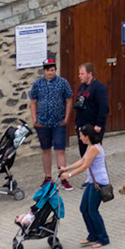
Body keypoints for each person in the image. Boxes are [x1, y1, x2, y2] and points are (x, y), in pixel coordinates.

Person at [59, 125, 110, 248]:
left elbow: (84, 166)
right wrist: (66, 168)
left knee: (92, 210)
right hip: (93, 182)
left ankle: (103, 238)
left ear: (87, 136)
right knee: (84, 208)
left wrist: (69, 175)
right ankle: (92, 235)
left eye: (81, 135)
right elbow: (82, 160)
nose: (80, 138)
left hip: (99, 182)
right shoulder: (90, 146)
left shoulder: (94, 148)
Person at [27, 58, 73, 189]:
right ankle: (47, 177)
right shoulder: (37, 84)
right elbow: (33, 102)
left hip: (58, 123)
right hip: (42, 123)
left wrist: (66, 118)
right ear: (44, 71)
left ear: (55, 70)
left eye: (52, 70)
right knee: (46, 150)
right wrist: (35, 120)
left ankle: (63, 177)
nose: (50, 73)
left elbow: (69, 100)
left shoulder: (63, 83)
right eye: (47, 70)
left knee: (60, 150)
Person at [73, 62, 109, 160]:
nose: (79, 76)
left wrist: (99, 124)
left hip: (93, 125)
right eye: (79, 74)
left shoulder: (99, 88)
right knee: (84, 154)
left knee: (93, 155)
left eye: (82, 74)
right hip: (82, 125)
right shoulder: (81, 87)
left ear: (90, 74)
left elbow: (103, 107)